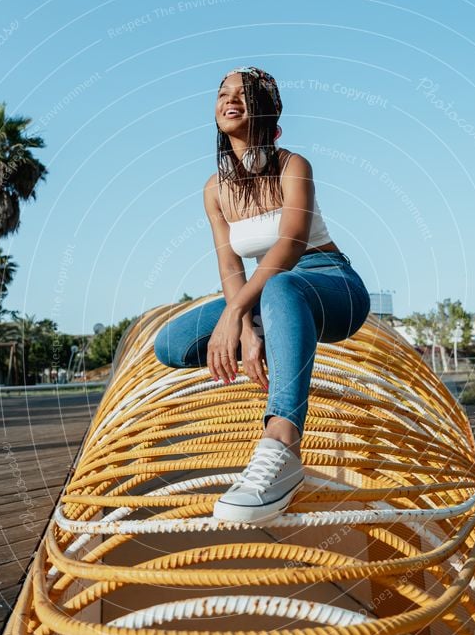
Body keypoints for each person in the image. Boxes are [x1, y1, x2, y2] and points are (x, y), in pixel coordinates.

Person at [154, 66, 370, 525]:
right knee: (171, 343)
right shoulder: (214, 189)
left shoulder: (293, 165)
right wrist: (246, 323)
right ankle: (280, 330)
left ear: (266, 108)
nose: (230, 99)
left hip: (328, 283)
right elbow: (230, 264)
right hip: (266, 292)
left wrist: (240, 313)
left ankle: (283, 443)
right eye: (222, 93)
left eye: (244, 93)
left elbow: (290, 245)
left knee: (280, 285)